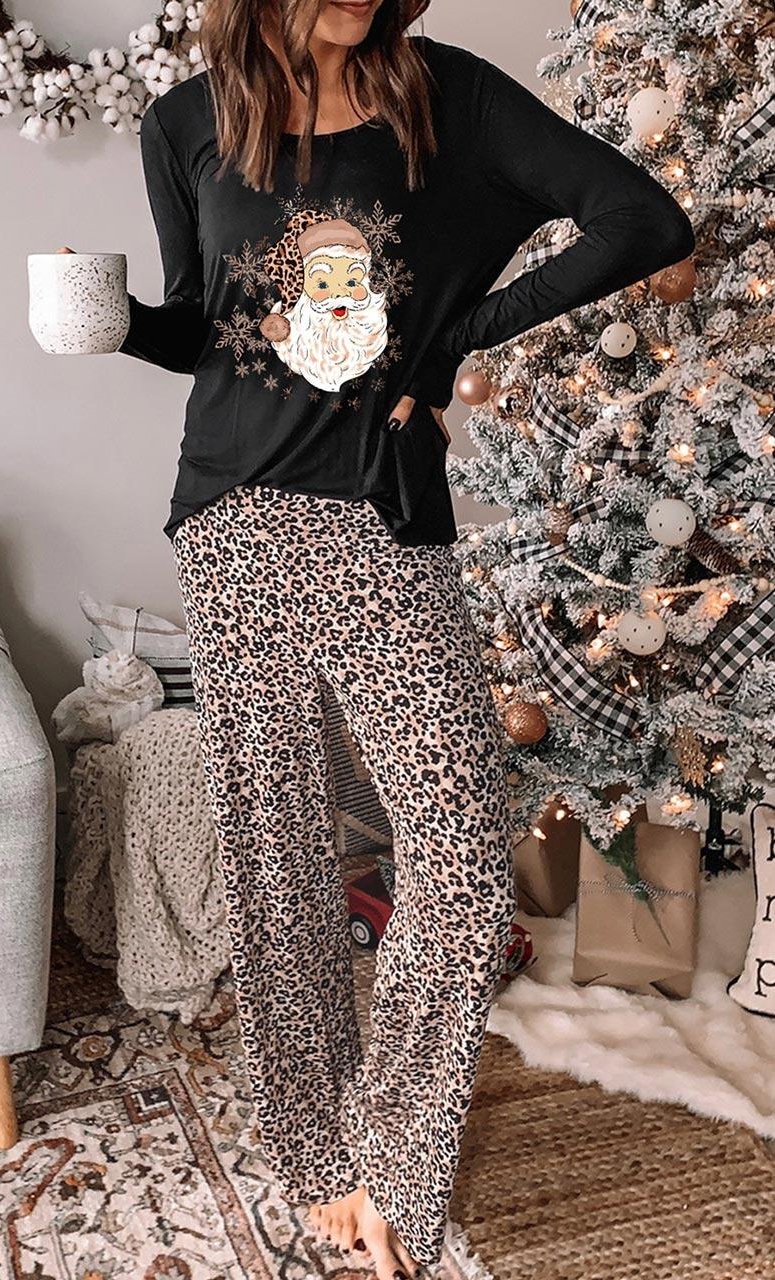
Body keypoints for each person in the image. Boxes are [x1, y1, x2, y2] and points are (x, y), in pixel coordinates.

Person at [86, 3, 695, 1278]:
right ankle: (320, 1161)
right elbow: (204, 325)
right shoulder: (184, 121)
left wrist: (459, 330)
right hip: (233, 520)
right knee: (276, 860)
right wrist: (116, 323)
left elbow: (642, 218)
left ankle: (393, 1157)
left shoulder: (444, 96)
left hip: (381, 519)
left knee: (459, 860)